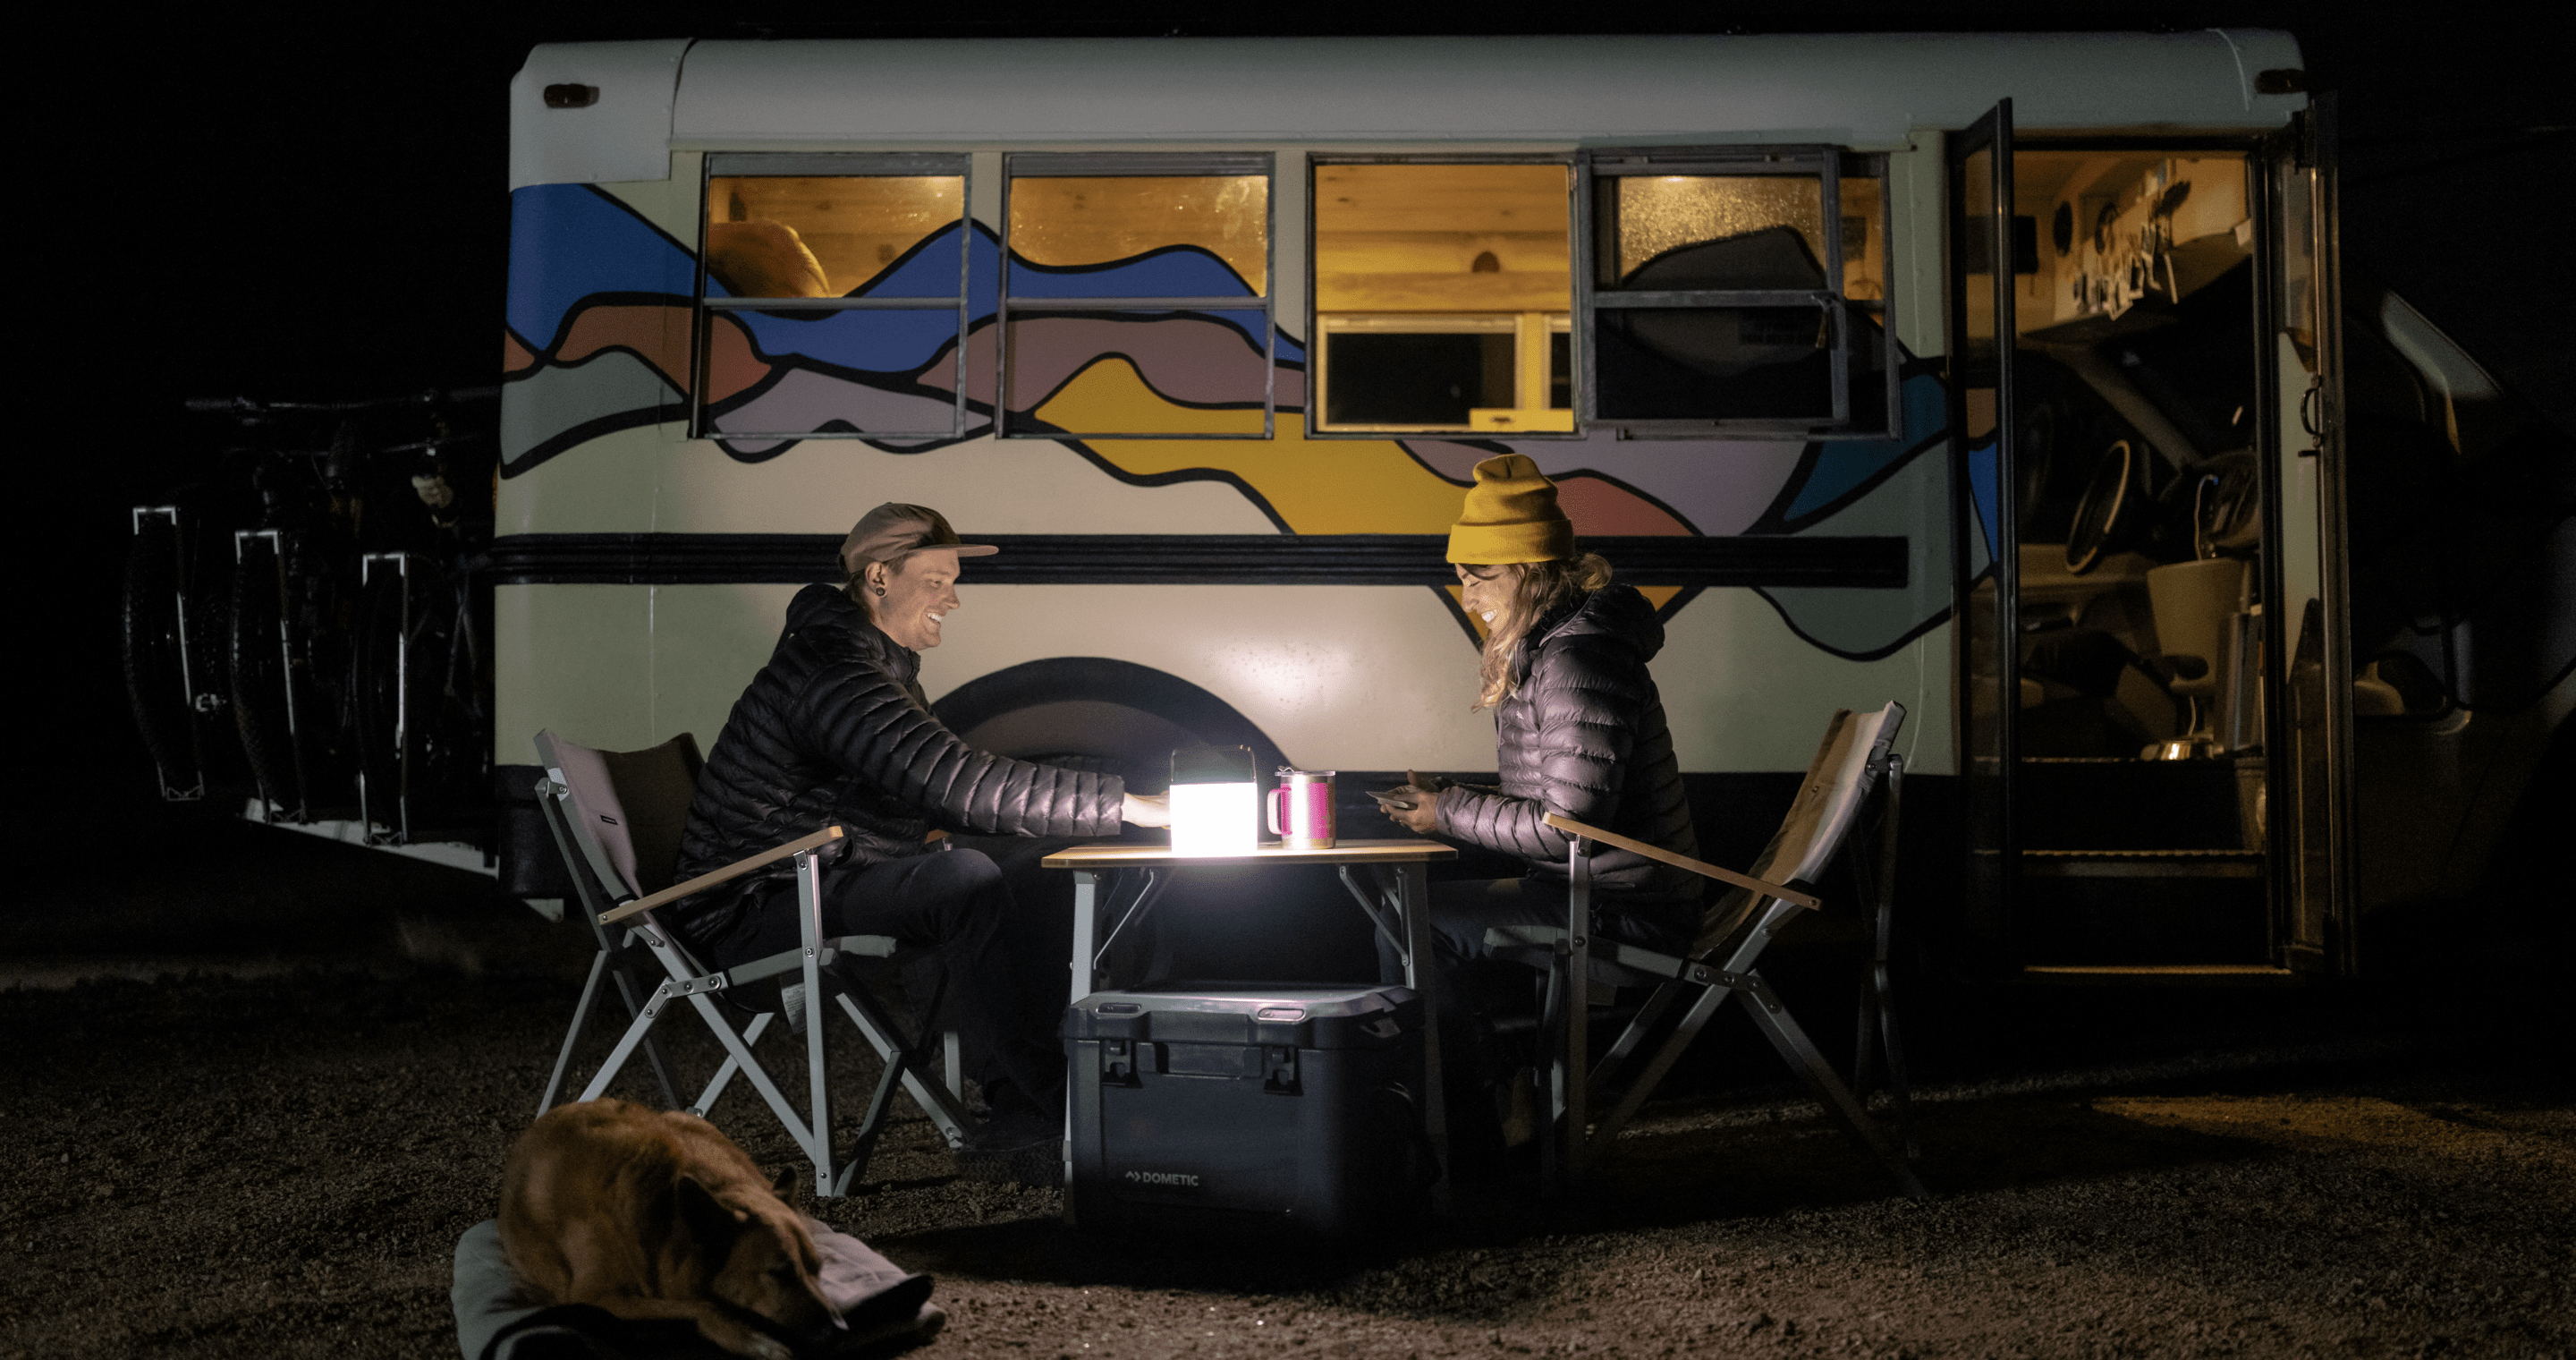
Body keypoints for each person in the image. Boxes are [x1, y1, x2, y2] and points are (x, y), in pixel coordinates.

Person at [670, 503, 1169, 1177]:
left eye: (952, 581)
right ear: (879, 576)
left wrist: (1091, 798)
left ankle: (1022, 1097)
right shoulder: (833, 671)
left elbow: (936, 780)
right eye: (936, 581)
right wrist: (1124, 805)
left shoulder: (873, 661)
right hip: (752, 905)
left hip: (822, 870)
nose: (953, 599)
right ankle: (1051, 1106)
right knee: (961, 880)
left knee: (1035, 866)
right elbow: (951, 782)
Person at [1378, 454, 1699, 1170]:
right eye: (1460, 575)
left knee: (1408, 922)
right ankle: (1496, 1097)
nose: (1466, 596)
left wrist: (1448, 812)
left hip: (1625, 906)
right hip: (1595, 891)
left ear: (1527, 570)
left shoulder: (1577, 661)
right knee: (1409, 913)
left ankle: (1479, 1116)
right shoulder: (1558, 647)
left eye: (1478, 576)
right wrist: (1449, 798)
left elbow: (1570, 827)